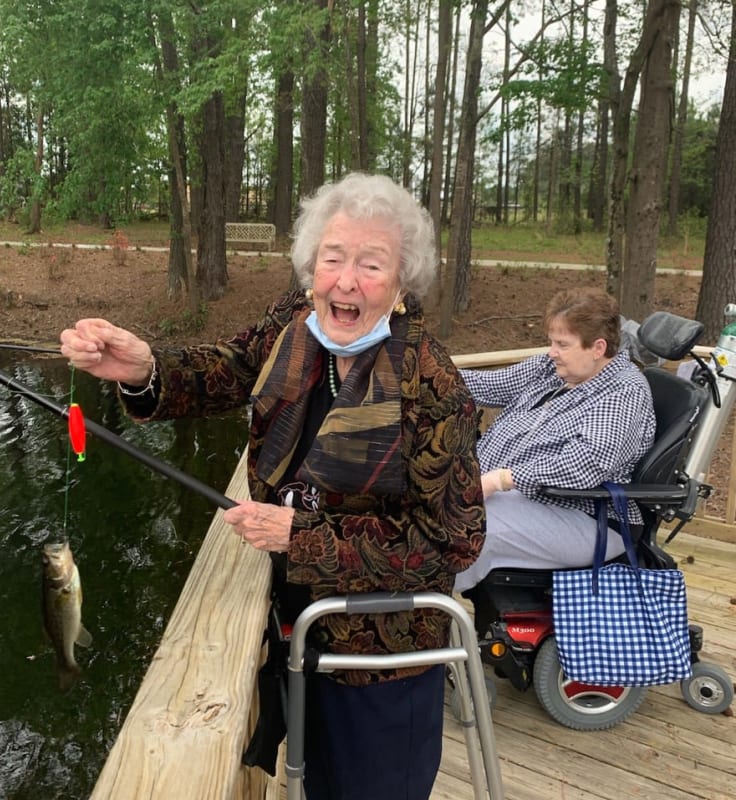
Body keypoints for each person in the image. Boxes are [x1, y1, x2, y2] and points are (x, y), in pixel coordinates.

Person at [60, 172, 485, 799]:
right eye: (331, 258)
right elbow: (229, 369)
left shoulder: (432, 385)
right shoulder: (296, 321)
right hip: (294, 626)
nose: (344, 281)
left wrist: (301, 535)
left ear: (401, 283)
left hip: (377, 662)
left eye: (372, 264)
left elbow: (452, 544)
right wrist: (145, 368)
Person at [454, 287, 655, 593]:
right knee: (430, 510)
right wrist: (427, 374)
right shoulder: (555, 369)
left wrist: (502, 479)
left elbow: (586, 463)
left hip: (589, 516)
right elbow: (489, 385)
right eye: (552, 342)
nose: (551, 351)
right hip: (529, 500)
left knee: (461, 530)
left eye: (562, 344)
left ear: (598, 348)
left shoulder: (624, 391)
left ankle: (418, 619)